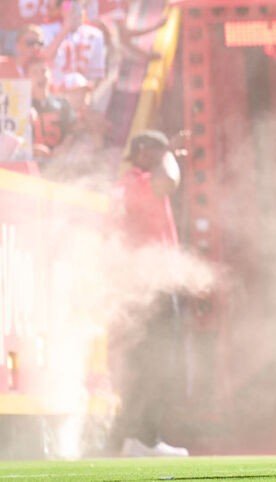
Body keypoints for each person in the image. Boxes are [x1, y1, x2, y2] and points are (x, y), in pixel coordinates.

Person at [110, 130, 190, 457]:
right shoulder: (136, 181)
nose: (164, 157)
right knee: (153, 363)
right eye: (157, 150)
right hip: (148, 286)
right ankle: (142, 438)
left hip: (150, 284)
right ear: (143, 151)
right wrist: (170, 154)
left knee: (152, 364)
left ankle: (140, 438)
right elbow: (168, 180)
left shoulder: (133, 181)